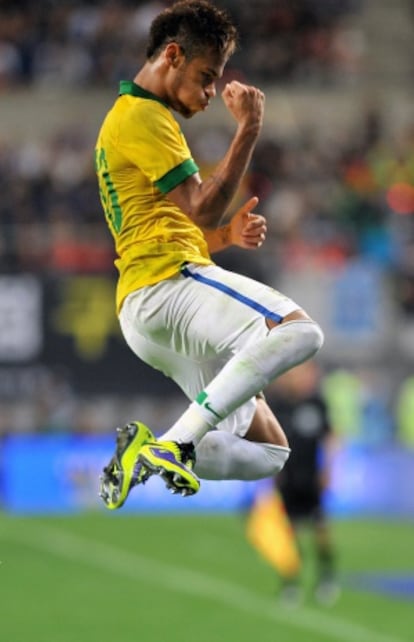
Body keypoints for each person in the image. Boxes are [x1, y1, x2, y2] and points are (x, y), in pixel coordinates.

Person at [95, 0, 324, 510]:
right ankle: (177, 441)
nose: (207, 95)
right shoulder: (141, 115)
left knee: (268, 451)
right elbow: (200, 208)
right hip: (168, 287)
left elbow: (174, 224)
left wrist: (225, 238)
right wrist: (249, 128)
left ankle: (155, 448)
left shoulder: (134, 118)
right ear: (172, 55)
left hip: (147, 303)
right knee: (298, 330)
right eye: (206, 77)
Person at [265, 360, 340, 606]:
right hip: (287, 478)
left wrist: (328, 469)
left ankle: (326, 578)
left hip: (312, 478)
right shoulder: (278, 405)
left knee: (320, 532)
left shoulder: (317, 403)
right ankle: (291, 583)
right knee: (290, 533)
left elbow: (331, 436)